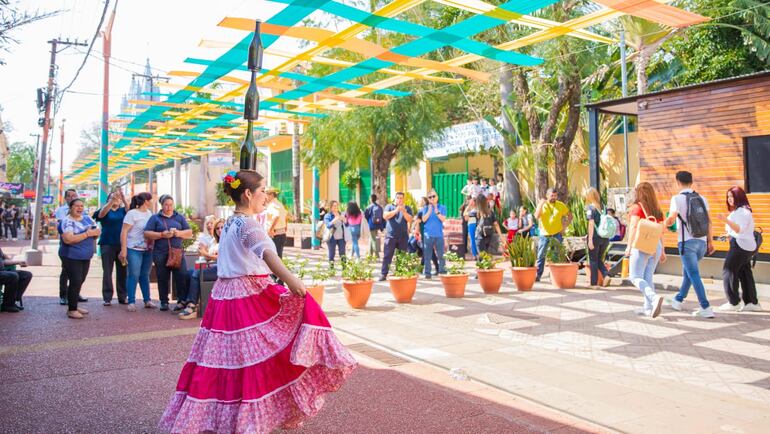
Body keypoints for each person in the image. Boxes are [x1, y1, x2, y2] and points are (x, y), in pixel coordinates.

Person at [159, 170, 356, 433]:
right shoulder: (247, 224)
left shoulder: (230, 222)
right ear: (249, 193)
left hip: (225, 297)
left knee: (227, 360)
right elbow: (267, 254)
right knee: (252, 358)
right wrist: (291, 281)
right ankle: (248, 422)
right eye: (262, 191)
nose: (266, 196)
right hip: (246, 295)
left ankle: (228, 419)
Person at [664, 171, 714, 318]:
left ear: (678, 182)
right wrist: (711, 241)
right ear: (691, 182)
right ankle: (678, 300)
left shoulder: (677, 199)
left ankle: (705, 307)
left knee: (693, 274)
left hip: (687, 243)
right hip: (702, 243)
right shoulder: (702, 199)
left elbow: (672, 218)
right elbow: (709, 222)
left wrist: (665, 223)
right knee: (688, 273)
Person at [625, 182, 667, 318]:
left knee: (634, 277)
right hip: (656, 246)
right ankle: (648, 308)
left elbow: (633, 228)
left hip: (641, 245)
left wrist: (629, 246)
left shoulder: (636, 208)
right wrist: (663, 250)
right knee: (648, 277)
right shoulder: (657, 210)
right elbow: (661, 232)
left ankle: (653, 298)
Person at [144, 195, 193, 312]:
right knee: (162, 277)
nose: (169, 207)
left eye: (171, 204)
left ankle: (181, 301)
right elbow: (146, 233)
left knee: (181, 276)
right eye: (166, 204)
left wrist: (178, 233)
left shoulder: (179, 217)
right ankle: (164, 302)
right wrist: (161, 234)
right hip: (160, 253)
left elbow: (189, 232)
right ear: (162, 205)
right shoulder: (155, 218)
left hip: (177, 252)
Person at [717, 186, 761, 312]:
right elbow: (739, 230)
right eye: (728, 196)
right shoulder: (739, 211)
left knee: (728, 271)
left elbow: (740, 229)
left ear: (739, 197)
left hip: (740, 246)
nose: (729, 199)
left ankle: (733, 302)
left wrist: (725, 219)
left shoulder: (742, 212)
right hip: (745, 245)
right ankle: (751, 302)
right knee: (744, 272)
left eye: (732, 196)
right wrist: (728, 234)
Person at [59, 198, 100, 319]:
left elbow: (97, 231)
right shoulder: (66, 221)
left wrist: (91, 234)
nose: (79, 208)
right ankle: (71, 310)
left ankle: (74, 305)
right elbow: (69, 239)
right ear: (70, 208)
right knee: (75, 281)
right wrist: (87, 234)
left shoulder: (87, 218)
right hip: (71, 256)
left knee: (80, 280)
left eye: (82, 206)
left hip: (85, 256)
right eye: (77, 206)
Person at [179, 218, 223, 320]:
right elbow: (209, 256)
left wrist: (205, 253)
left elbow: (221, 257)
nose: (220, 230)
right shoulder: (215, 241)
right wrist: (204, 252)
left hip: (222, 270)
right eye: (217, 228)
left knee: (196, 274)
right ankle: (185, 300)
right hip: (213, 266)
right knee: (188, 273)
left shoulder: (227, 242)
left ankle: (192, 305)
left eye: (222, 227)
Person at [119, 192, 156, 312]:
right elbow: (124, 232)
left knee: (145, 275)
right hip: (133, 249)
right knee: (133, 274)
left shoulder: (150, 214)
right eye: (151, 200)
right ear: (146, 201)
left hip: (147, 249)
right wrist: (123, 250)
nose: (152, 202)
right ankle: (131, 301)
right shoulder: (132, 214)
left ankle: (147, 300)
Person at [94, 189, 129, 306]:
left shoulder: (123, 211)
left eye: (118, 198)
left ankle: (122, 296)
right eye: (113, 197)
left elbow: (130, 212)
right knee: (107, 271)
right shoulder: (105, 210)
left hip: (122, 245)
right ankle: (107, 297)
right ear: (108, 200)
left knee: (123, 271)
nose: (116, 199)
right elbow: (100, 215)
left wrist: (123, 199)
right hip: (107, 244)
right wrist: (110, 202)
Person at [534, 188, 573, 282]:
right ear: (547, 195)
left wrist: (564, 228)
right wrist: (540, 204)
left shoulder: (560, 205)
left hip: (557, 234)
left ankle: (555, 277)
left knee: (557, 255)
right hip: (544, 234)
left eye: (555, 195)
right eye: (552, 195)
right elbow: (536, 216)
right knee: (541, 255)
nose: (554, 197)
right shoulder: (543, 205)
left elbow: (570, 216)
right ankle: (538, 276)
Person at [55, 189, 82, 305]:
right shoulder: (61, 210)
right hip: (67, 243)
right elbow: (63, 225)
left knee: (79, 272)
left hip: (79, 243)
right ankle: (63, 295)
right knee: (66, 270)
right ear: (66, 198)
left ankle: (75, 294)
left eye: (74, 195)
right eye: (69, 196)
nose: (72, 197)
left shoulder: (81, 210)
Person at [380, 192, 413, 281]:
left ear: (403, 199)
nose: (399, 199)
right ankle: (384, 274)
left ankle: (400, 272)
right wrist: (396, 210)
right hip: (390, 236)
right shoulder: (389, 206)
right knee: (387, 255)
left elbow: (410, 219)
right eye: (398, 197)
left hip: (403, 236)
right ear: (395, 199)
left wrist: (403, 211)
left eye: (401, 198)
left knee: (401, 256)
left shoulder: (407, 208)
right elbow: (385, 216)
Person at [585, 187, 610, 288]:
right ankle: (605, 275)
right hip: (604, 237)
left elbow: (591, 224)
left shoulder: (590, 208)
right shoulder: (603, 207)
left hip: (595, 237)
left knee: (593, 259)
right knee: (598, 258)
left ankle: (593, 284)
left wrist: (590, 240)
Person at [421, 189, 447, 279]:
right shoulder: (425, 208)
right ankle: (427, 273)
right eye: (430, 197)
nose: (432, 198)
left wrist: (437, 211)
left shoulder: (442, 207)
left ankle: (442, 271)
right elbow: (423, 219)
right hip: (428, 234)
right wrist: (429, 210)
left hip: (439, 235)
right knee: (427, 256)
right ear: (428, 199)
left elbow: (443, 219)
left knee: (441, 255)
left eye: (433, 196)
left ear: (437, 197)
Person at [0, 246, 32, 312]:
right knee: (13, 276)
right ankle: (7, 305)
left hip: (2, 271)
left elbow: (3, 258)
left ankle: (13, 299)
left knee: (26, 275)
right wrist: (17, 262)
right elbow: (2, 263)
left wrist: (18, 261)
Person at [264, 188, 289, 258]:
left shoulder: (273, 205)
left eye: (266, 195)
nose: (265, 197)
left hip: (275, 234)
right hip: (280, 233)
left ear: (271, 195)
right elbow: (286, 216)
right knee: (278, 256)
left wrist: (270, 230)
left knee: (275, 257)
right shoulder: (278, 204)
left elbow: (276, 217)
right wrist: (285, 226)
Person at [324, 200, 346, 267]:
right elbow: (328, 225)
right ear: (331, 207)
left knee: (342, 254)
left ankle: (345, 269)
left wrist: (344, 219)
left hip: (341, 238)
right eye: (334, 206)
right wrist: (335, 219)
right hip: (331, 238)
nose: (336, 207)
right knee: (331, 254)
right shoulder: (327, 216)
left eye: (337, 205)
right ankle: (331, 269)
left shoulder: (341, 214)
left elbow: (347, 224)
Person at [364, 194, 385, 258]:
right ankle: (370, 254)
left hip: (371, 225)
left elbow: (365, 216)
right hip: (378, 225)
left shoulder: (369, 207)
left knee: (373, 239)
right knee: (372, 238)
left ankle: (376, 255)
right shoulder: (379, 207)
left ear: (371, 199)